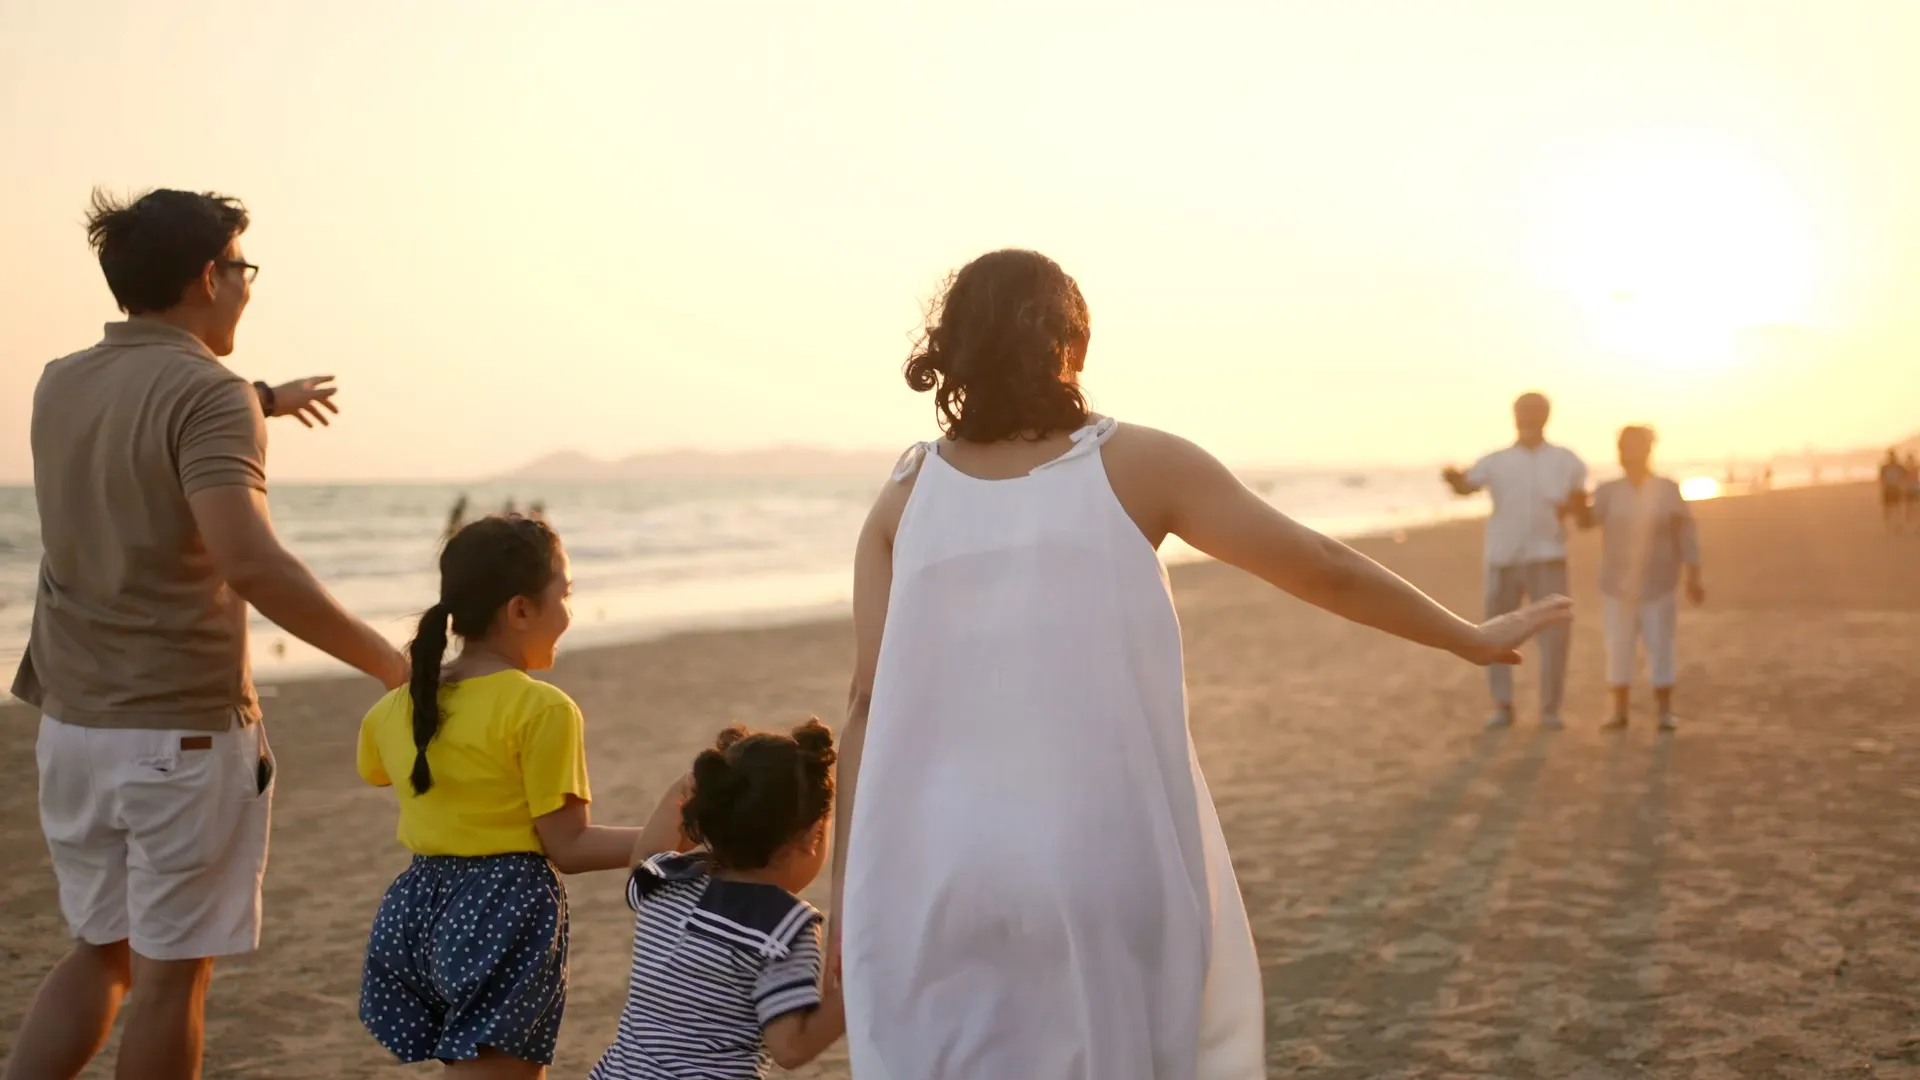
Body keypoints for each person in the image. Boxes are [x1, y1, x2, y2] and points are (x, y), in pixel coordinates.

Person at [830, 249, 1573, 1080]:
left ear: (953, 350)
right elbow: (1321, 567)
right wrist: (1465, 635)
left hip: (933, 866)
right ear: (1074, 346)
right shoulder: (1139, 463)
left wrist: (848, 892)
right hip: (1099, 846)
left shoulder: (905, 495)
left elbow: (865, 703)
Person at [6, 189, 408, 1080]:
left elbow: (145, 423)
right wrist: (389, 662)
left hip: (71, 727)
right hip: (178, 735)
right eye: (241, 268)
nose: (247, 286)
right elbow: (251, 562)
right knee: (171, 979)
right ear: (207, 276)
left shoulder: (59, 380)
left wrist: (263, 398)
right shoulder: (209, 394)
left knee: (101, 953)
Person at [356, 515, 641, 1078]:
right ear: (520, 610)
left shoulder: (394, 708)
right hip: (501, 911)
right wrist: (678, 838)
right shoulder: (542, 708)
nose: (569, 613)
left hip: (416, 912)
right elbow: (570, 846)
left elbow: (379, 771)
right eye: (565, 594)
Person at [591, 721, 846, 1079]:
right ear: (811, 836)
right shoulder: (783, 928)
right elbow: (791, 1047)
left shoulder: (666, 881)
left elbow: (644, 853)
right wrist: (857, 986)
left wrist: (690, 783)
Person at [1441, 392, 1589, 729]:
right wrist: (1452, 477)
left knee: (1555, 636)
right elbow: (1466, 487)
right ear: (1514, 415)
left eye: (1534, 411)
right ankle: (1503, 705)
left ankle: (1550, 710)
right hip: (1503, 557)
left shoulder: (1568, 460)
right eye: (1523, 411)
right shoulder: (1496, 460)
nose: (1528, 417)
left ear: (1547, 415)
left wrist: (1574, 507)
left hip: (1549, 556)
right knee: (1493, 633)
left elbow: (1580, 506)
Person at [1575, 426, 1704, 732]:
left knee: (1661, 646)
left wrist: (1693, 576)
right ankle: (1619, 712)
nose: (1625, 453)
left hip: (1659, 581)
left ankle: (1665, 712)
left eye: (1632, 446)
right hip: (1616, 583)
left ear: (1647, 450)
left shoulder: (1667, 489)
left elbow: (1686, 534)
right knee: (1618, 647)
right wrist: (1576, 503)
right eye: (1622, 447)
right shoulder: (1608, 490)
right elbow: (1587, 522)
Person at [1880, 450, 1907, 533]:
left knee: (1896, 508)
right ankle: (1888, 526)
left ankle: (1897, 525)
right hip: (1889, 488)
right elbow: (1882, 479)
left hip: (1896, 488)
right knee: (1888, 509)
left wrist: (1902, 486)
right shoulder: (1884, 467)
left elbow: (1904, 476)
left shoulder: (1899, 467)